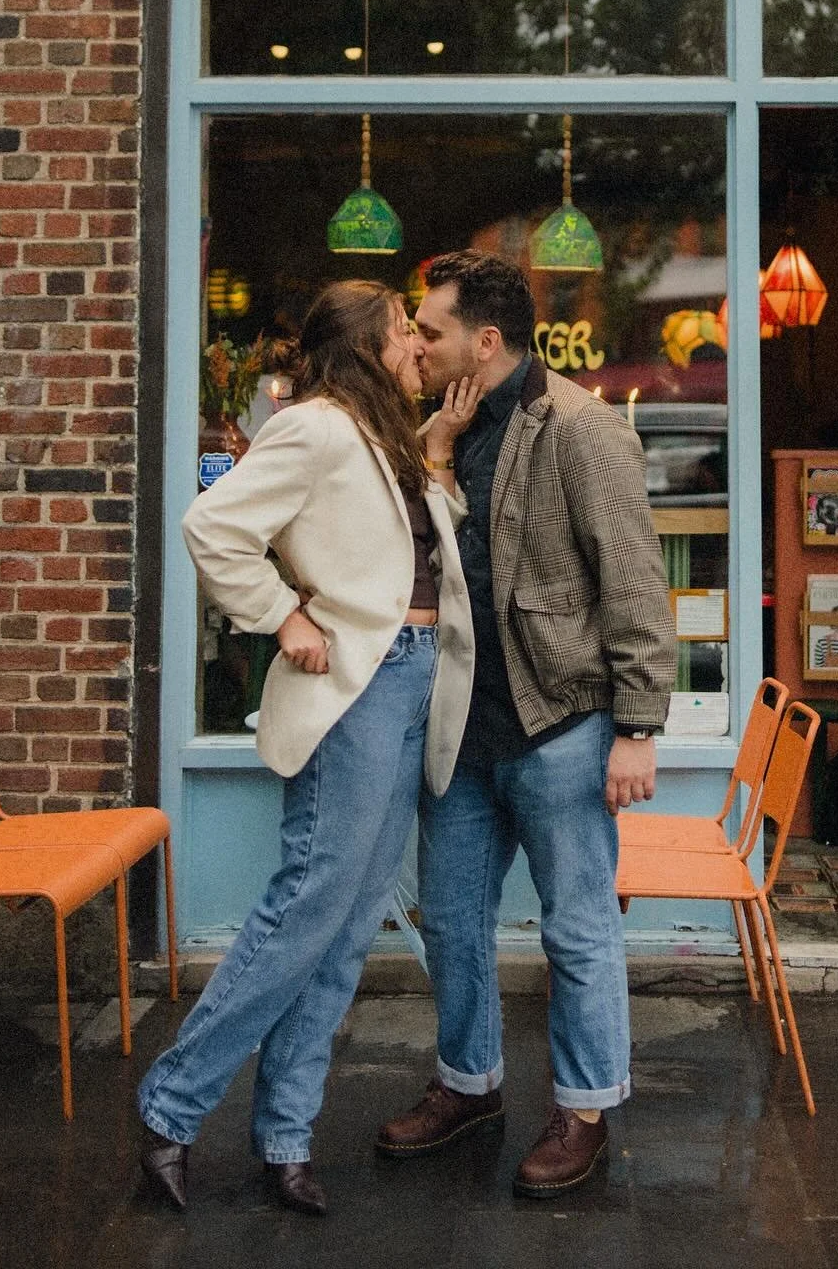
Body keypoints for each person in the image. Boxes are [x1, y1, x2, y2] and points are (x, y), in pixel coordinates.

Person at [137, 280, 478, 1217]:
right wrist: (282, 614)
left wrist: (436, 454)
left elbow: (398, 554)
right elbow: (212, 526)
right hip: (357, 689)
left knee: (346, 928)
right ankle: (170, 1109)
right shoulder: (316, 428)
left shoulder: (381, 436)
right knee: (304, 913)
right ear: (365, 344)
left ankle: (286, 1139)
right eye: (403, 330)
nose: (417, 345)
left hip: (409, 681)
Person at [376, 251, 676, 1198]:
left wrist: (638, 726)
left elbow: (635, 581)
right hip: (461, 727)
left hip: (562, 725)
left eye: (430, 329)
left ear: (486, 340)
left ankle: (584, 1108)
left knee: (576, 930)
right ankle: (469, 1085)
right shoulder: (441, 426)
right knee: (451, 919)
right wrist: (431, 446)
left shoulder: (581, 429)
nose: (417, 342)